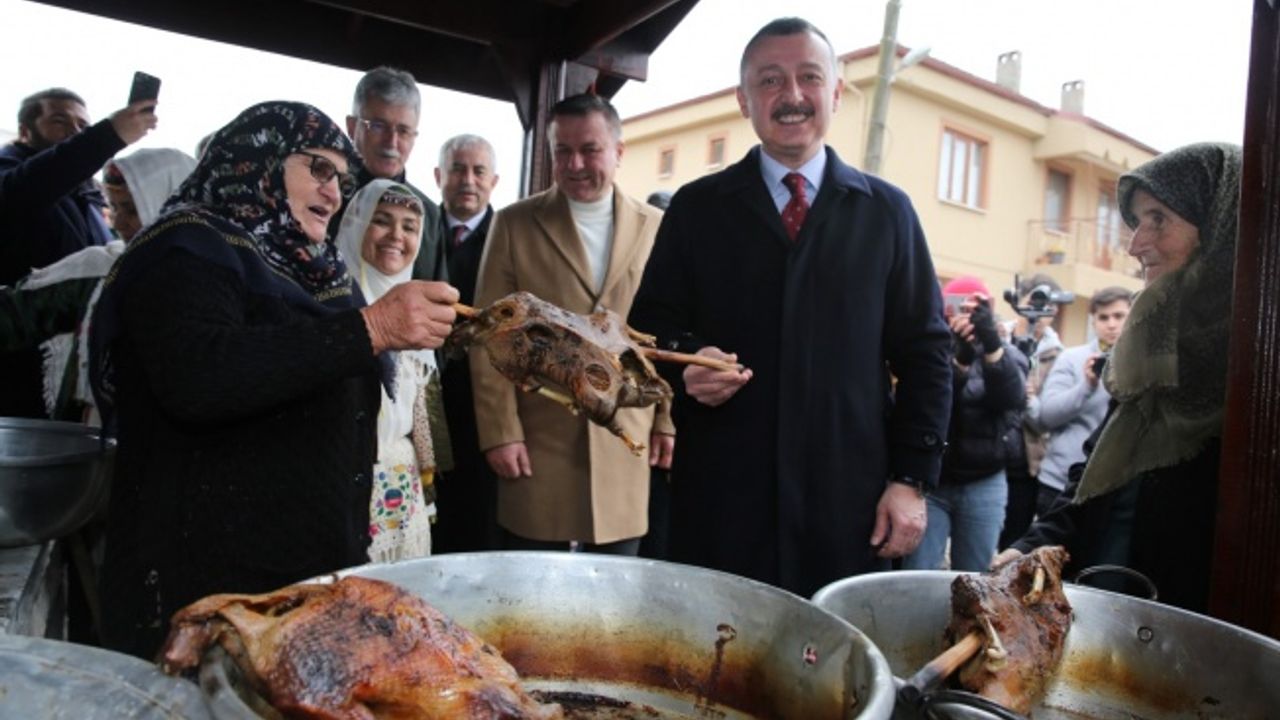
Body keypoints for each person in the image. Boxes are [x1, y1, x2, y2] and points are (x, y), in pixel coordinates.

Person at [89, 101, 459, 659]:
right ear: (257, 158)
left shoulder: (311, 266)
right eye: (319, 168)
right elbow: (199, 375)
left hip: (292, 580)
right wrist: (373, 328)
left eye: (341, 179)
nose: (333, 191)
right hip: (207, 590)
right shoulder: (186, 248)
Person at [628, 17, 952, 596]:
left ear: (836, 90)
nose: (792, 95)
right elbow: (649, 331)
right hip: (724, 501)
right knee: (720, 643)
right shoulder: (698, 210)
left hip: (849, 504)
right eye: (771, 80)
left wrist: (910, 479)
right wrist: (686, 366)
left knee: (836, 647)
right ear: (744, 99)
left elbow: (926, 354)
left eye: (809, 77)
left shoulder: (886, 213)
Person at [997, 142, 1242, 614]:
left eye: (1158, 219)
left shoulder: (1255, 360)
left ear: (1219, 224)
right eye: (1137, 222)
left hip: (1194, 619)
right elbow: (1098, 468)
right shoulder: (1149, 342)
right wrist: (1033, 544)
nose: (1135, 244)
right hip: (1107, 598)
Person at [470, 93, 674, 556]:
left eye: (590, 150)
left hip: (626, 436)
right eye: (562, 151)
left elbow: (667, 334)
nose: (575, 164)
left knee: (616, 588)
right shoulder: (514, 224)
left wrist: (667, 421)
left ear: (618, 151)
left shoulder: (658, 227)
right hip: (539, 439)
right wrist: (500, 433)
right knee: (532, 587)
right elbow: (489, 336)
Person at [0, 148, 196, 423]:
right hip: (96, 438)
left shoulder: (218, 276)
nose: (118, 222)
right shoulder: (97, 270)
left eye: (132, 209)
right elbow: (15, 317)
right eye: (113, 207)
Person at [0, 88, 158, 418]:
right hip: (17, 363)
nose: (75, 131)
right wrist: (107, 135)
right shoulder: (13, 177)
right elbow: (29, 188)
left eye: (83, 126)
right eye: (60, 121)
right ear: (25, 131)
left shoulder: (86, 198)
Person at [336, 178, 452, 562]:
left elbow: (426, 416)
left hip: (403, 487)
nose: (396, 236)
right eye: (382, 220)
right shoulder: (333, 305)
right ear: (358, 225)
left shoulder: (421, 308)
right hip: (347, 481)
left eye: (409, 226)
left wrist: (430, 491)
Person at [903, 277, 1025, 571]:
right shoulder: (931, 348)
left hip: (984, 480)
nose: (964, 316)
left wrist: (991, 346)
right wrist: (959, 362)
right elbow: (933, 404)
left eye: (974, 309)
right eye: (958, 307)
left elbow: (1011, 400)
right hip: (933, 479)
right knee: (918, 573)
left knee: (976, 576)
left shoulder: (1006, 353)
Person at [430, 134, 503, 554]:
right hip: (426, 401)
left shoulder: (508, 235)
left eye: (478, 171)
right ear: (438, 176)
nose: (468, 180)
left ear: (494, 181)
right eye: (457, 169)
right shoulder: (416, 226)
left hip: (486, 405)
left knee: (479, 524)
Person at [331, 67, 445, 281]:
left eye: (403, 131)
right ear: (352, 127)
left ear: (414, 137)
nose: (391, 142)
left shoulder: (429, 214)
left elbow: (436, 292)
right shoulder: (325, 195)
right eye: (378, 126)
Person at [1029, 286, 1131, 514]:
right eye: (1103, 317)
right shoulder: (1072, 358)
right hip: (1060, 482)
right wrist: (1087, 386)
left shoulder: (1142, 364)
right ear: (1093, 322)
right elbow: (1047, 416)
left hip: (1114, 485)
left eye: (1119, 316)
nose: (1111, 324)